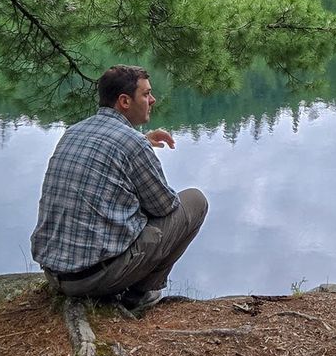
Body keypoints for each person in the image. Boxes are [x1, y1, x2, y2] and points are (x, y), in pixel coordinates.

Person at [31, 65, 208, 312]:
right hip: (93, 281)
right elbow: (165, 207)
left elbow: (105, 156)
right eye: (146, 94)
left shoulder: (73, 132)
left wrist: (143, 143)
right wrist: (141, 148)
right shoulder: (132, 144)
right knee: (195, 201)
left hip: (56, 274)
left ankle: (127, 286)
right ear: (124, 101)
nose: (152, 100)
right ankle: (139, 295)